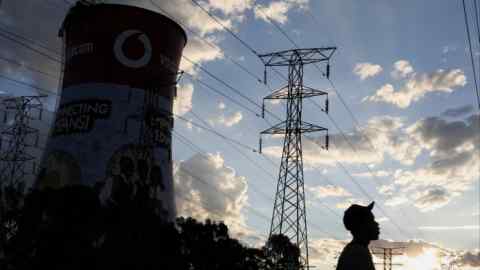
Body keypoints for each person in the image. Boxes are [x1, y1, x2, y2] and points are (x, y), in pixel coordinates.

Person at [336, 202, 380, 270]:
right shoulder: (357, 253)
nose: (377, 224)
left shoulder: (357, 249)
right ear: (362, 226)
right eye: (371, 220)